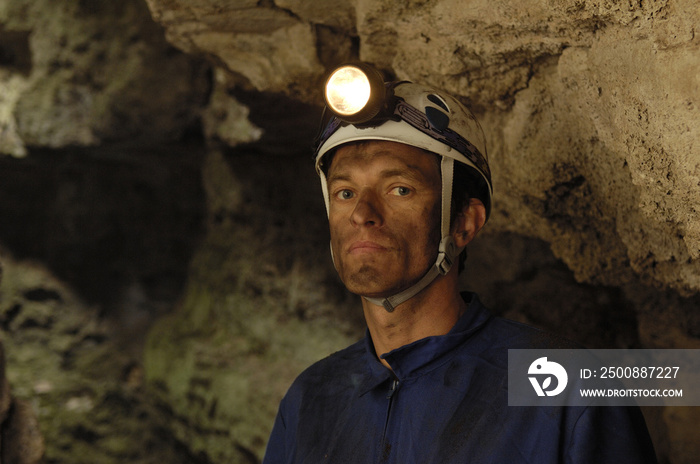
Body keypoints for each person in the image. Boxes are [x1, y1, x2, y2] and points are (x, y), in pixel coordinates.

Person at [262, 64, 657, 463]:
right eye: (345, 192)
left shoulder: (569, 390)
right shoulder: (310, 399)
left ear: (465, 223)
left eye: (400, 189)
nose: (363, 213)